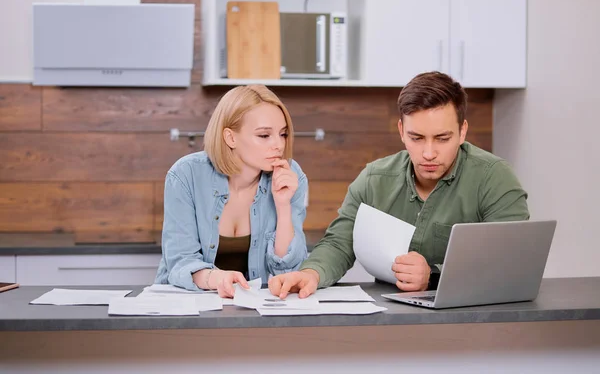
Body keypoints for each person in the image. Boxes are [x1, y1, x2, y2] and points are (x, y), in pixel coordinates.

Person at [268, 71, 529, 299]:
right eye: (416, 137)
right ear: (402, 131)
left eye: (442, 138)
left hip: (476, 324)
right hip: (390, 323)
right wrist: (311, 274)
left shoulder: (495, 178)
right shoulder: (373, 179)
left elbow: (512, 264)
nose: (428, 152)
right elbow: (338, 244)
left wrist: (433, 276)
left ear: (462, 131)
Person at [155, 84, 308, 297]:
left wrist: (283, 207)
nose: (278, 145)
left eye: (282, 134)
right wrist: (216, 278)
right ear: (230, 137)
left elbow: (289, 270)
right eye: (264, 135)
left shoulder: (291, 176)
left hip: (254, 307)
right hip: (187, 301)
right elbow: (180, 260)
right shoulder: (185, 175)